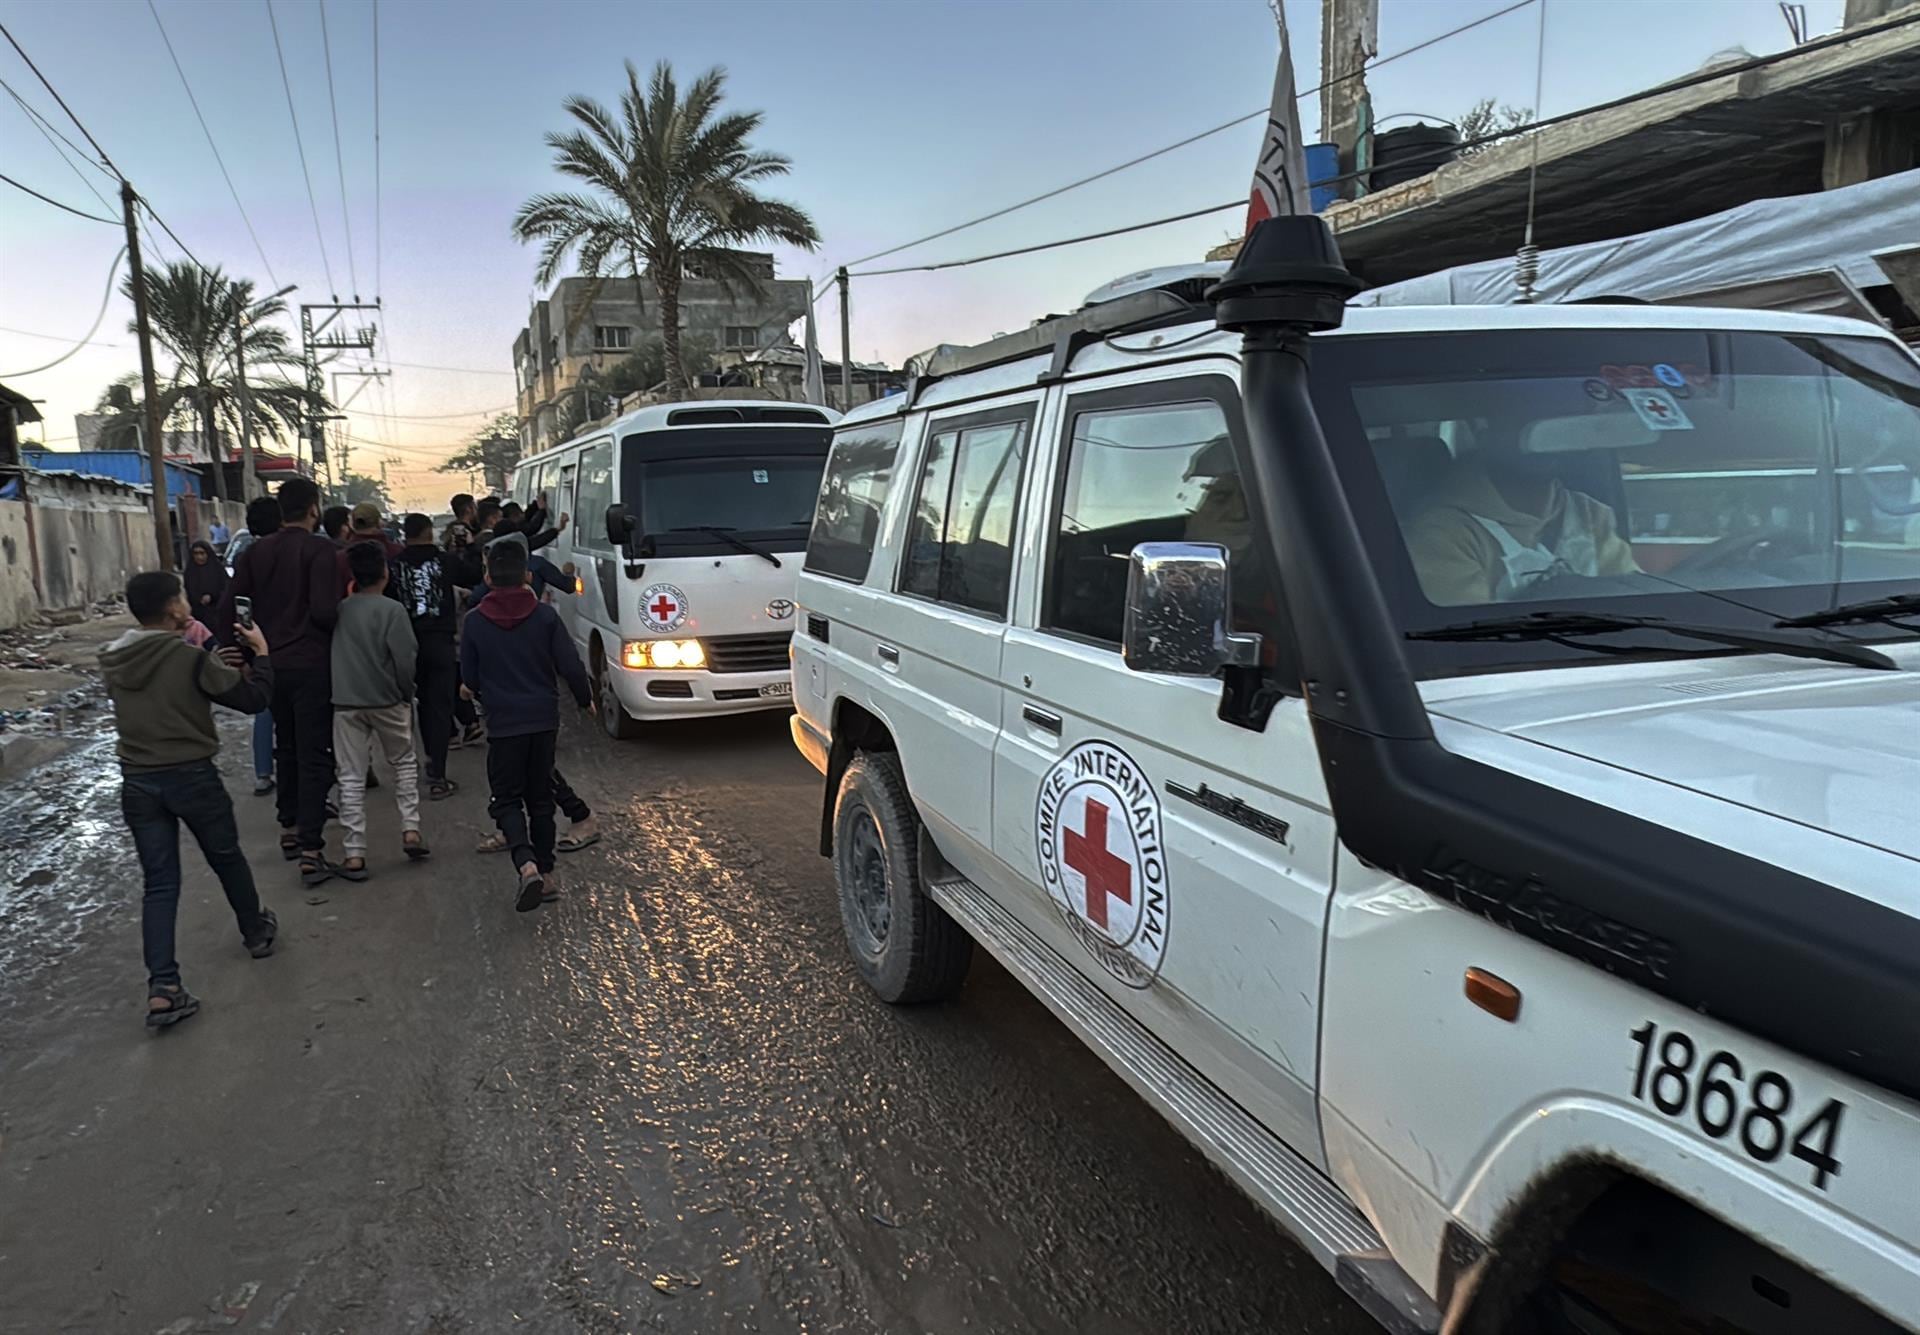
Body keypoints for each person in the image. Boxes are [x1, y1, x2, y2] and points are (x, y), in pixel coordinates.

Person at [101, 570, 279, 1029]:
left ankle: (163, 987)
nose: (186, 603)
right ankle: (255, 931)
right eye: (181, 596)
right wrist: (261, 654)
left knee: (160, 884)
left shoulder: (114, 659)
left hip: (138, 782)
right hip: (192, 776)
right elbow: (254, 700)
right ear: (172, 609)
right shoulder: (190, 660)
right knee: (225, 856)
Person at [461, 539, 590, 912]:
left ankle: (526, 864)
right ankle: (547, 875)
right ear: (528, 576)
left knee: (505, 800)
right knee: (540, 799)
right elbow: (570, 667)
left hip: (503, 725)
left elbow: (470, 676)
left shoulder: (474, 622)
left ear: (487, 577)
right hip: (544, 721)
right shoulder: (546, 617)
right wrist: (585, 701)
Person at [229, 476, 343, 885]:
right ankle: (312, 847)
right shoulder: (321, 551)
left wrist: (246, 655)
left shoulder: (255, 553)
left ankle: (290, 827)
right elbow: (325, 612)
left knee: (287, 746)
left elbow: (237, 607)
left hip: (270, 663)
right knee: (314, 752)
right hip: (312, 663)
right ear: (314, 508)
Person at [1404, 441, 1640, 606]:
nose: (1546, 447)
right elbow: (1467, 638)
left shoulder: (1590, 514)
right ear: (1489, 434)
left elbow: (1633, 599)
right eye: (1532, 429)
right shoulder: (1442, 531)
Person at [331, 543, 427, 878]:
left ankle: (354, 852)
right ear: (385, 573)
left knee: (350, 776)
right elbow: (405, 659)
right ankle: (411, 830)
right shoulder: (393, 611)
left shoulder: (340, 609)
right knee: (403, 762)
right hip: (387, 699)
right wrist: (405, 692)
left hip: (345, 701)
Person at [392, 512, 461, 799]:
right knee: (439, 706)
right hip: (440, 643)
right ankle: (437, 773)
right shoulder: (445, 560)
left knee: (411, 706)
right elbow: (475, 575)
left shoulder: (394, 564)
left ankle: (409, 772)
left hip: (403, 645)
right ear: (429, 531)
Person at [232, 496, 281, 795]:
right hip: (296, 646)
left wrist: (241, 654)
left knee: (264, 709)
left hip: (257, 641)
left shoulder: (244, 557)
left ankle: (264, 772)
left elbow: (235, 606)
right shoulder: (293, 551)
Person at [183, 540, 228, 619]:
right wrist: (197, 599)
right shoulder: (190, 571)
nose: (199, 557)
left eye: (202, 553)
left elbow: (225, 588)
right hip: (197, 613)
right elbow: (188, 591)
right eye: (196, 553)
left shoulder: (217, 569)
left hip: (216, 612)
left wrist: (212, 596)